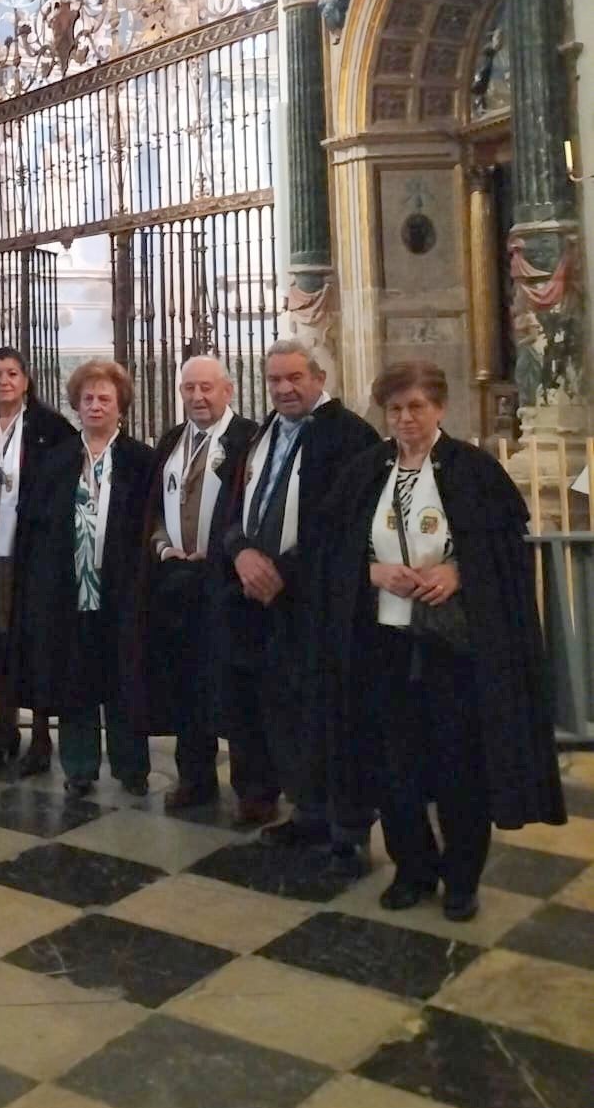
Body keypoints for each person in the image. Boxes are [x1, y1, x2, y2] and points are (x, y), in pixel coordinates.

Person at [323, 361, 565, 920]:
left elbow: (503, 555)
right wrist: (372, 573)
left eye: (416, 407)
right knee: (394, 765)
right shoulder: (366, 472)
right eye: (395, 409)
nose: (405, 418)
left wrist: (460, 573)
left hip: (454, 650)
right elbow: (332, 552)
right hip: (384, 642)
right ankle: (412, 868)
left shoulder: (473, 471)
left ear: (439, 409)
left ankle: (461, 878)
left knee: (459, 767)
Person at [222, 338, 378, 848]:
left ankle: (346, 825)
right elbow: (237, 502)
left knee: (326, 710)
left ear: (319, 378)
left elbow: (344, 525)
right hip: (259, 596)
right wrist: (240, 548)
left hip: (317, 601)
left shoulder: (350, 435)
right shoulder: (264, 431)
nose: (284, 388)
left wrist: (282, 569)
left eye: (294, 378)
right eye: (274, 380)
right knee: (284, 710)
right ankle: (308, 808)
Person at [15, 361, 155, 798]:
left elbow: (150, 523)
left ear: (121, 407)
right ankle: (79, 766)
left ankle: (131, 766)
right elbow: (35, 524)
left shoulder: (140, 461)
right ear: (76, 405)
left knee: (123, 677)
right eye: (88, 399)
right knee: (74, 677)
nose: (95, 406)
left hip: (121, 589)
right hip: (67, 588)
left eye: (104, 399)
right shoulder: (56, 460)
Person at [140, 356, 257, 812]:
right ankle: (196, 777)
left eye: (206, 388)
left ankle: (254, 787)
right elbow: (154, 508)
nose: (197, 397)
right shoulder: (172, 440)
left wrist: (221, 550)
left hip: (226, 581)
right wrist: (164, 547)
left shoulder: (248, 439)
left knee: (235, 685)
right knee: (186, 682)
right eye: (189, 389)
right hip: (177, 578)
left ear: (228, 390)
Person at [0, 348, 76, 774]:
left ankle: (42, 735)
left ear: (26, 381)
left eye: (12, 373)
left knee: (34, 641)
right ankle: (5, 727)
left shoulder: (51, 429)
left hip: (31, 554)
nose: (4, 381)